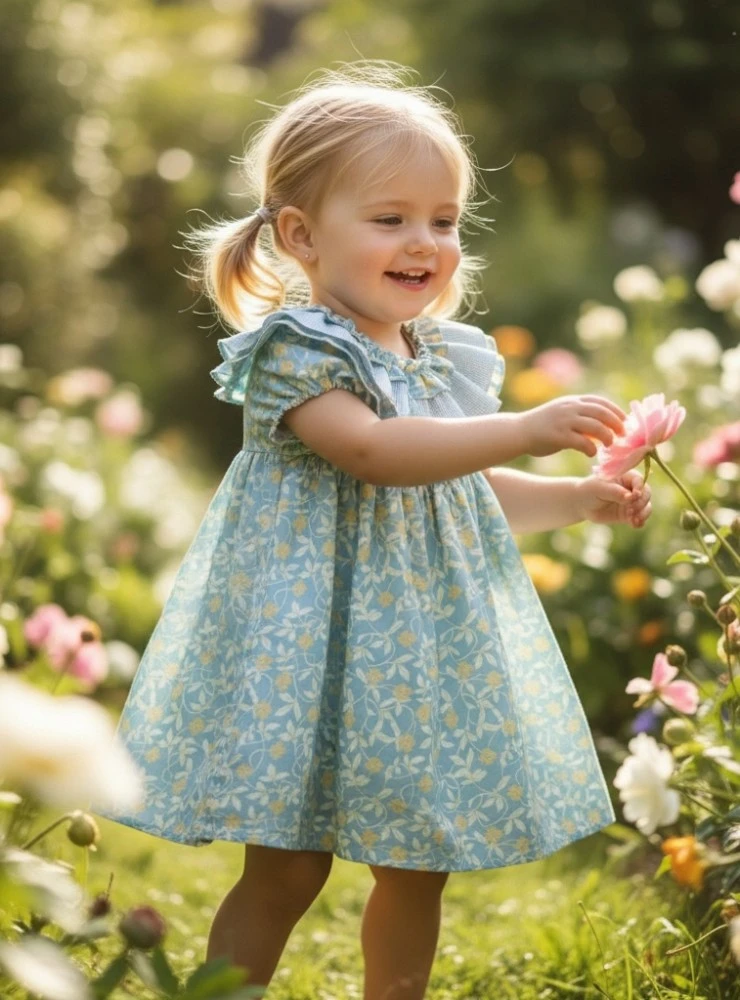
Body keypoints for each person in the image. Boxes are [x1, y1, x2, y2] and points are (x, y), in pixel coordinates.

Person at [94, 62, 652, 1000]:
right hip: (307, 657)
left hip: (409, 659)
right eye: (390, 219)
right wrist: (522, 426)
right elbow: (376, 453)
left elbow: (461, 488)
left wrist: (576, 499)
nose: (424, 243)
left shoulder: (433, 355)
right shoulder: (297, 348)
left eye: (444, 221)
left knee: (416, 865)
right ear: (302, 235)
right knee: (287, 868)